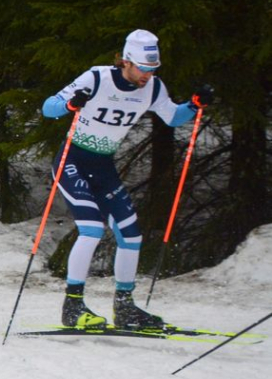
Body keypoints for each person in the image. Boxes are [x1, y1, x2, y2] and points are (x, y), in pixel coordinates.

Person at [42, 29, 211, 331]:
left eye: (153, 69)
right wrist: (69, 105)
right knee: (92, 230)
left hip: (103, 166)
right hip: (73, 160)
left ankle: (125, 307)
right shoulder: (97, 78)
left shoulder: (154, 88)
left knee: (131, 235)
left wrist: (194, 105)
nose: (147, 75)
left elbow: (173, 117)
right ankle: (72, 305)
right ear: (126, 61)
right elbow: (48, 107)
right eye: (143, 69)